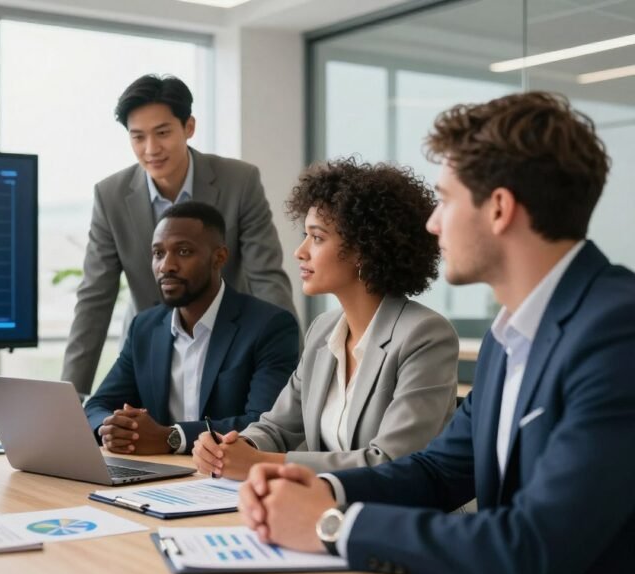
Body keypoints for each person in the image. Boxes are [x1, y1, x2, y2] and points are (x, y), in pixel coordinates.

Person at [238, 92, 635, 574]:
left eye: (445, 200)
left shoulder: (617, 331)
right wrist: (324, 489)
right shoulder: (506, 338)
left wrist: (331, 525)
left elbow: (533, 544)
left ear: (499, 209)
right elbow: (438, 473)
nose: (432, 223)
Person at [191, 158, 458, 479]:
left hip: (395, 520)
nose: (300, 251)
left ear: (363, 249)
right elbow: (278, 427)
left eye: (317, 238)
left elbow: (392, 462)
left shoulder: (425, 335)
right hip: (324, 511)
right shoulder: (323, 331)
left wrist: (261, 463)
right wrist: (232, 446)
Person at [62, 74, 297, 396]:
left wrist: (293, 369)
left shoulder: (239, 181)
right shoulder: (111, 195)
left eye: (162, 133)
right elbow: (94, 298)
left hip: (228, 343)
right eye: (138, 137)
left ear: (188, 127)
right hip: (151, 347)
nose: (151, 149)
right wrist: (70, 394)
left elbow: (267, 278)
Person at [83, 201, 298, 455]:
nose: (166, 266)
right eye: (158, 253)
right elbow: (97, 406)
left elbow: (263, 424)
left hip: (229, 477)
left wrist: (171, 437)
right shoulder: (145, 327)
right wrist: (112, 430)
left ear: (219, 257)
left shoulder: (269, 326)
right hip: (157, 473)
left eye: (183, 252)